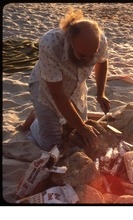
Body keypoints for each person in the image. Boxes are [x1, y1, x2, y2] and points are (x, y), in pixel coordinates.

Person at [25, 7, 110, 152]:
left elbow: (102, 61)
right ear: (70, 41)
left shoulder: (99, 40)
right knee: (52, 145)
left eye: (92, 55)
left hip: (76, 87)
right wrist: (82, 127)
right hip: (46, 88)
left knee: (73, 129)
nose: (89, 60)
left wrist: (100, 93)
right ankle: (37, 120)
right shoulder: (50, 43)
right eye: (83, 55)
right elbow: (58, 94)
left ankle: (41, 114)